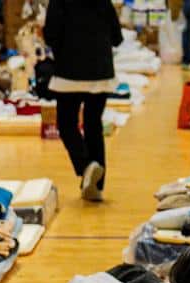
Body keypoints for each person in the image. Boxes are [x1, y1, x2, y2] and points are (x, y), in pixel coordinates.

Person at [42, 0, 120, 201]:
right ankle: (97, 186)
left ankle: (85, 166)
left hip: (69, 71)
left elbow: (51, 34)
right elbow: (117, 37)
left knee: (67, 124)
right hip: (101, 71)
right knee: (93, 124)